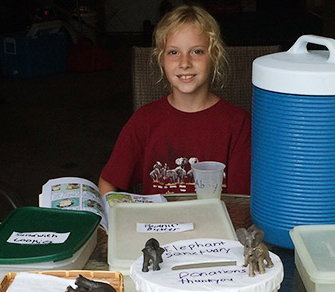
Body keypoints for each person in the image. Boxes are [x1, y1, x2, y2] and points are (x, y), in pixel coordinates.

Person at [97, 5, 251, 197]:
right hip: (155, 226)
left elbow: (242, 202)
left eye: (197, 52)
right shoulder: (144, 120)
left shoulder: (238, 123)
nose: (184, 63)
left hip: (215, 226)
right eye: (173, 52)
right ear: (161, 59)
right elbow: (107, 185)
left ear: (214, 56)